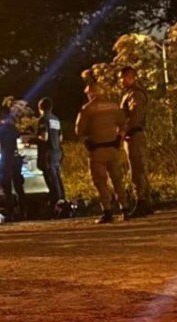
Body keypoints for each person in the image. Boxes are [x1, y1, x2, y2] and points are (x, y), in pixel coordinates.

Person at [75, 69, 128, 224]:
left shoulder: (87, 109)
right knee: (118, 179)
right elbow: (123, 125)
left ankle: (107, 211)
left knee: (100, 181)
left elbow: (79, 130)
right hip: (113, 148)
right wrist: (118, 139)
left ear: (91, 94)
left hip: (97, 150)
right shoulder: (113, 106)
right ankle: (125, 208)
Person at [120, 65, 152, 217]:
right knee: (139, 168)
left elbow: (135, 115)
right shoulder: (132, 93)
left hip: (134, 135)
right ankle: (145, 202)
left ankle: (141, 201)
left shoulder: (135, 94)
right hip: (133, 135)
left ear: (131, 77)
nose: (121, 81)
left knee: (137, 169)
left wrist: (124, 130)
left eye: (123, 78)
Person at [0, 105, 26, 221]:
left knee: (7, 189)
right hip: (16, 159)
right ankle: (24, 212)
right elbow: (19, 141)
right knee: (19, 187)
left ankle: (10, 214)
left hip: (6, 160)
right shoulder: (12, 127)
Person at [35, 97, 65, 213]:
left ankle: (56, 205)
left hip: (47, 153)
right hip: (57, 151)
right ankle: (62, 201)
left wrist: (33, 138)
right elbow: (60, 137)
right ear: (51, 107)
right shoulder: (56, 119)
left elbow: (44, 136)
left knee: (51, 179)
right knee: (57, 176)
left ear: (40, 108)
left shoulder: (43, 119)